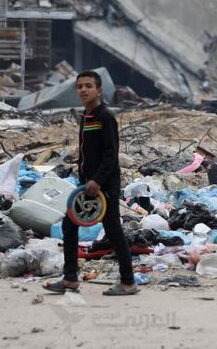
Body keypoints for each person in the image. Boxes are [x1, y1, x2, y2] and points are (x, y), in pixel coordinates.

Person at [44, 70, 139, 296]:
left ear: (99, 90)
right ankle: (69, 279)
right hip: (86, 186)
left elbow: (110, 154)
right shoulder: (86, 117)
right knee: (69, 225)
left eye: (88, 86)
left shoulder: (105, 116)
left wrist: (98, 180)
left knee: (113, 230)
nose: (83, 90)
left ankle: (128, 282)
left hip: (103, 185)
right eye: (80, 86)